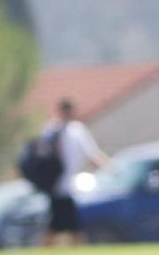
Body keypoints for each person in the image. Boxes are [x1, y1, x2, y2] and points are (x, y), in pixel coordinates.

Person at [42, 98, 110, 246]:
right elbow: (93, 155)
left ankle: (53, 251)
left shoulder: (72, 130)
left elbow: (91, 154)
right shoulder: (55, 131)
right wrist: (109, 167)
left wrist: (106, 166)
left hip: (65, 187)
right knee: (69, 226)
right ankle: (72, 250)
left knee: (60, 225)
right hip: (56, 186)